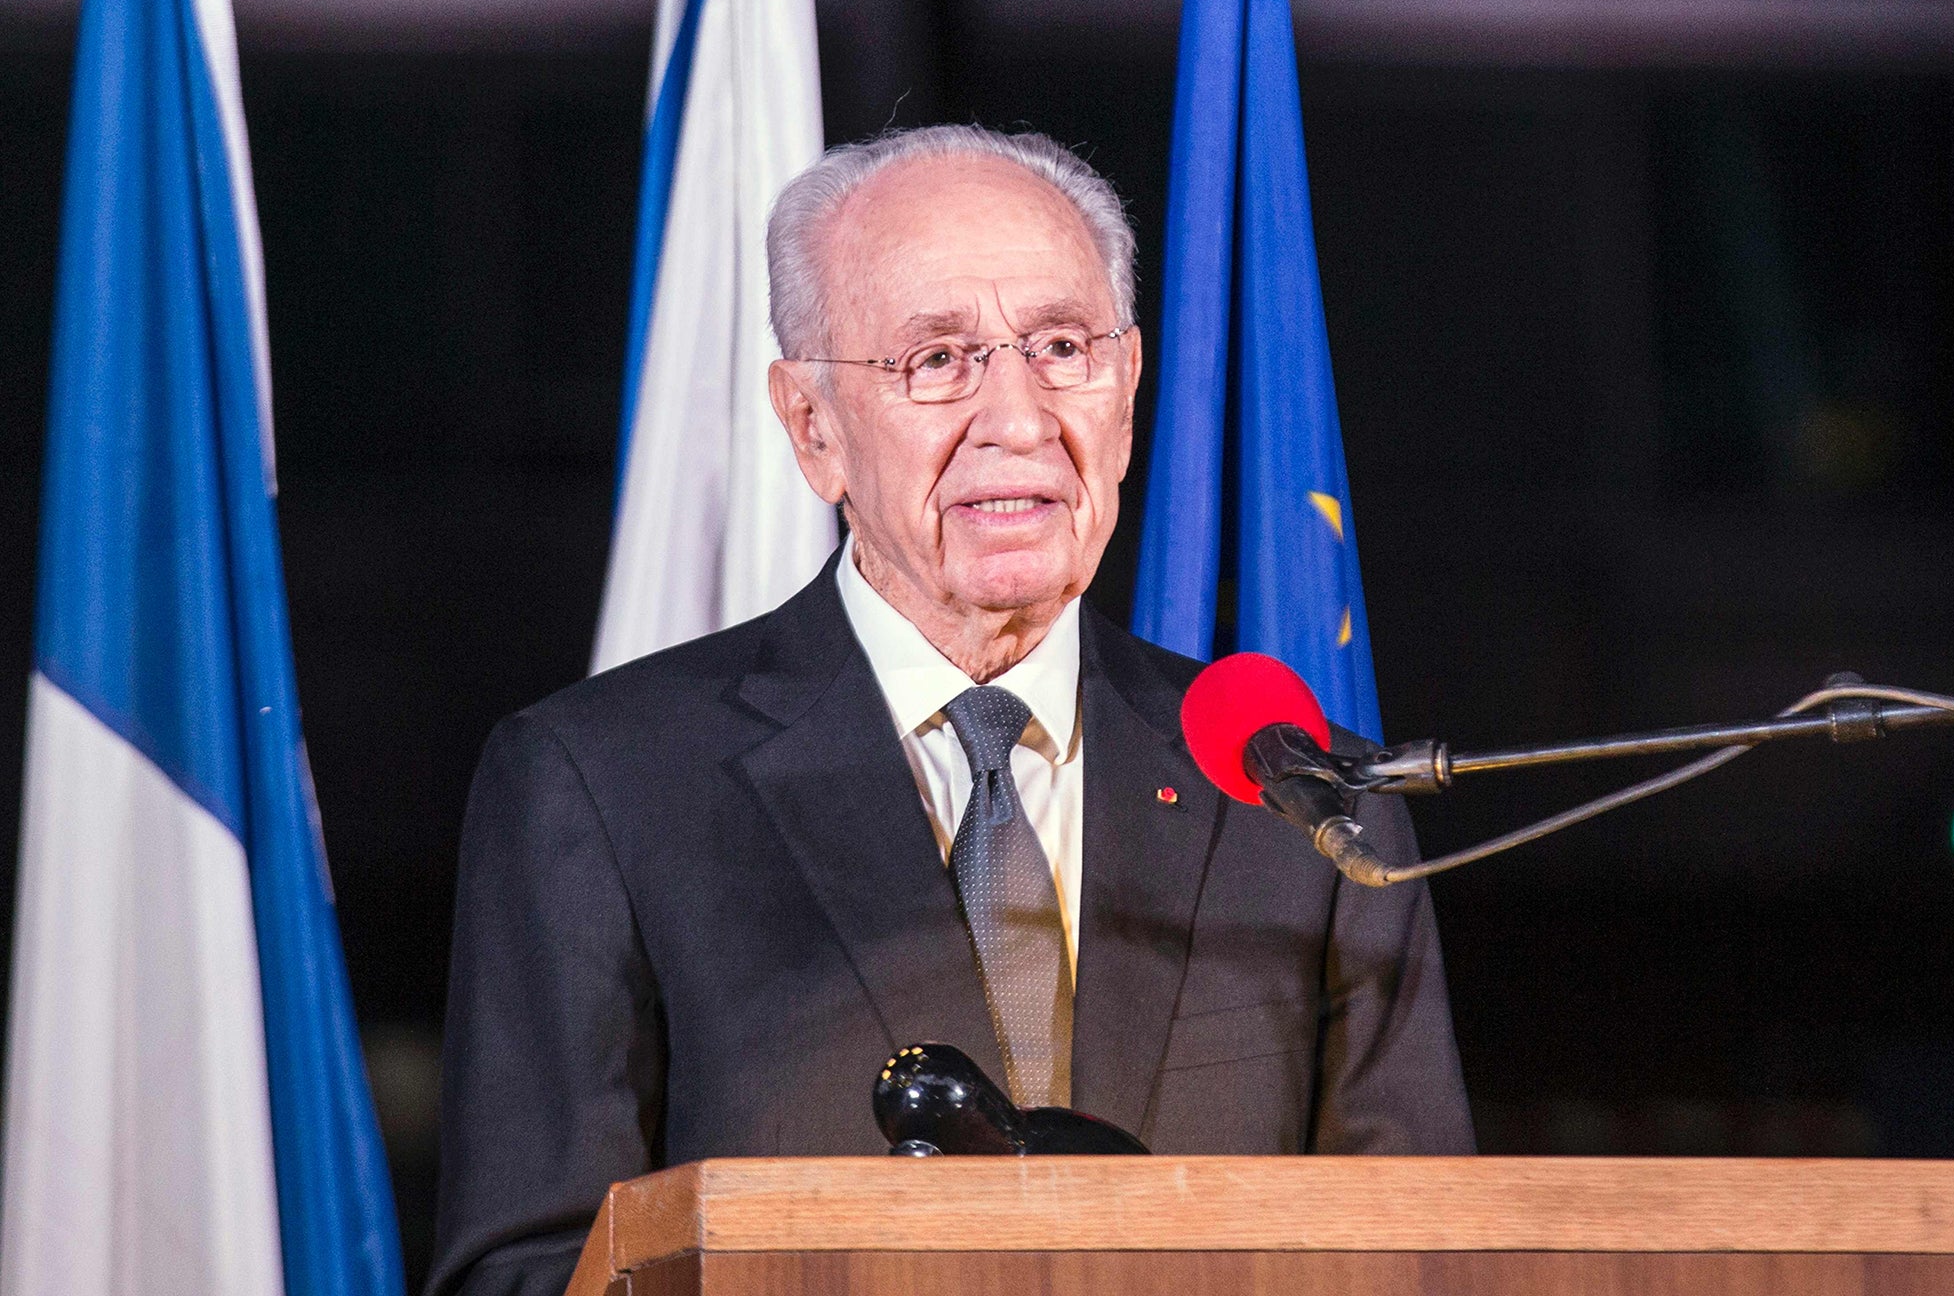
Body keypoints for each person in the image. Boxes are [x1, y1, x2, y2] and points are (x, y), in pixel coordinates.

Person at [424, 125, 1472, 1296]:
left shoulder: (1300, 794)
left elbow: (1423, 1253)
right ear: (812, 426)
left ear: (1125, 395)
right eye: (937, 360)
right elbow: (527, 1274)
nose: (1016, 418)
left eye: (1061, 348)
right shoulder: (600, 787)